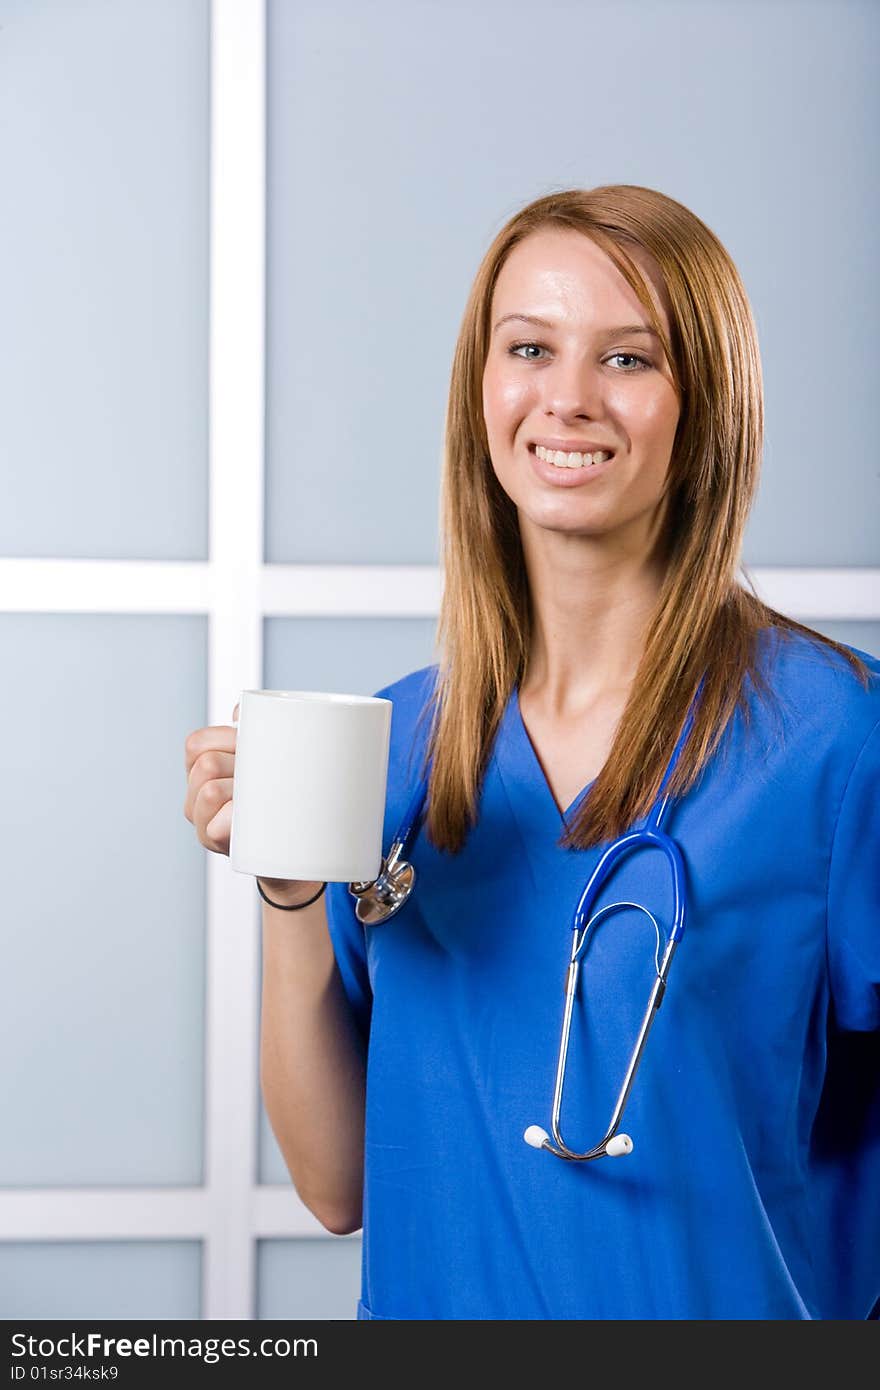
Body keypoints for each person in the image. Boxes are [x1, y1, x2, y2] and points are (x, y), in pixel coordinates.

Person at [183, 185, 880, 1321]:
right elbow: (332, 1184)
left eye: (628, 358)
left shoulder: (834, 739)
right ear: (480, 389)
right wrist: (286, 891)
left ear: (706, 402)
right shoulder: (398, 742)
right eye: (529, 347)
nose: (566, 398)